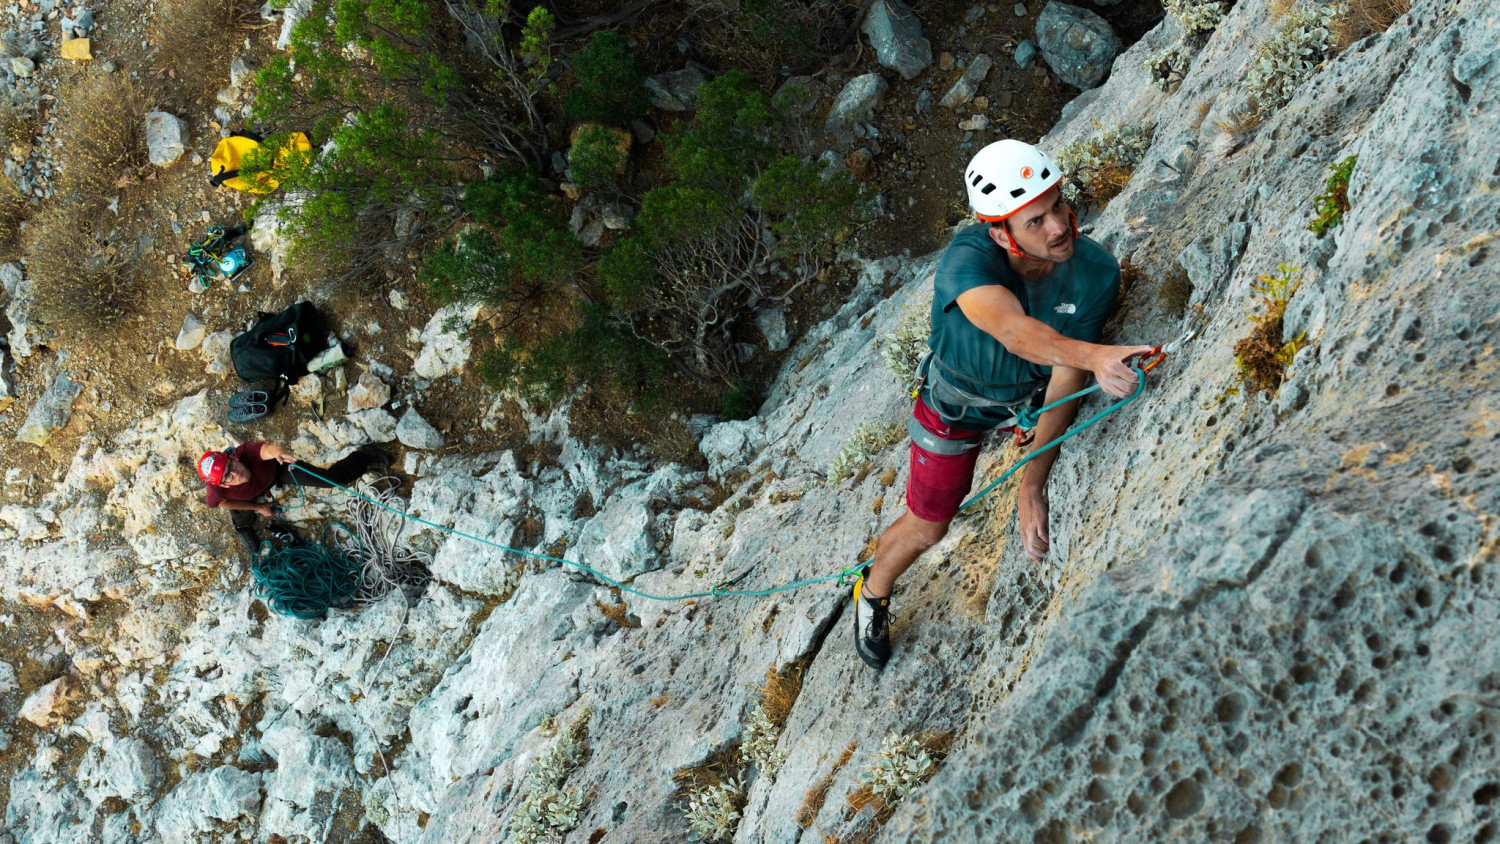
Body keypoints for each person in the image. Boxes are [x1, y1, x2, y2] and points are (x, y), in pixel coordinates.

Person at [851, 139, 1155, 670]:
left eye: (1057, 206)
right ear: (1001, 233)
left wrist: (1032, 483)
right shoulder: (970, 257)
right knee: (930, 524)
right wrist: (1097, 355)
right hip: (955, 410)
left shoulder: (1096, 273)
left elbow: (1066, 377)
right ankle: (872, 591)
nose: (1058, 226)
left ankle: (1020, 433)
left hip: (1027, 395)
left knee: (1046, 395)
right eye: (1034, 221)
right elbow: (1015, 332)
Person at [197, 442, 392, 558]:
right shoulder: (216, 493)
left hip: (276, 472)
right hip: (250, 495)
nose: (235, 473)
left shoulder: (245, 452)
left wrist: (279, 453)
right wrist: (258, 507)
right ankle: (243, 529)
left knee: (330, 480)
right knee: (240, 515)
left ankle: (364, 457)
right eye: (227, 477)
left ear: (233, 458)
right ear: (222, 485)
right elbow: (223, 503)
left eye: (230, 465)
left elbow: (269, 450)